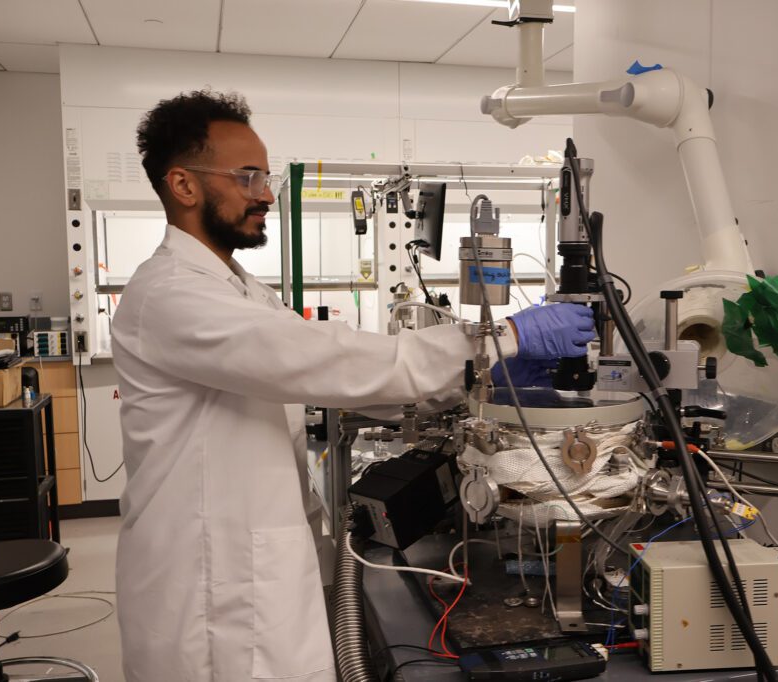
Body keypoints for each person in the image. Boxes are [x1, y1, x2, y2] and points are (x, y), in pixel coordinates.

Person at [111, 89, 595, 682]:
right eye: (247, 176)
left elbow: (343, 381)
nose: (265, 192)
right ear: (183, 186)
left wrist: (482, 374)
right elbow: (325, 360)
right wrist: (501, 339)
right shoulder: (170, 295)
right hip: (210, 592)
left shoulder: (238, 289)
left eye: (265, 176)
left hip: (252, 572)